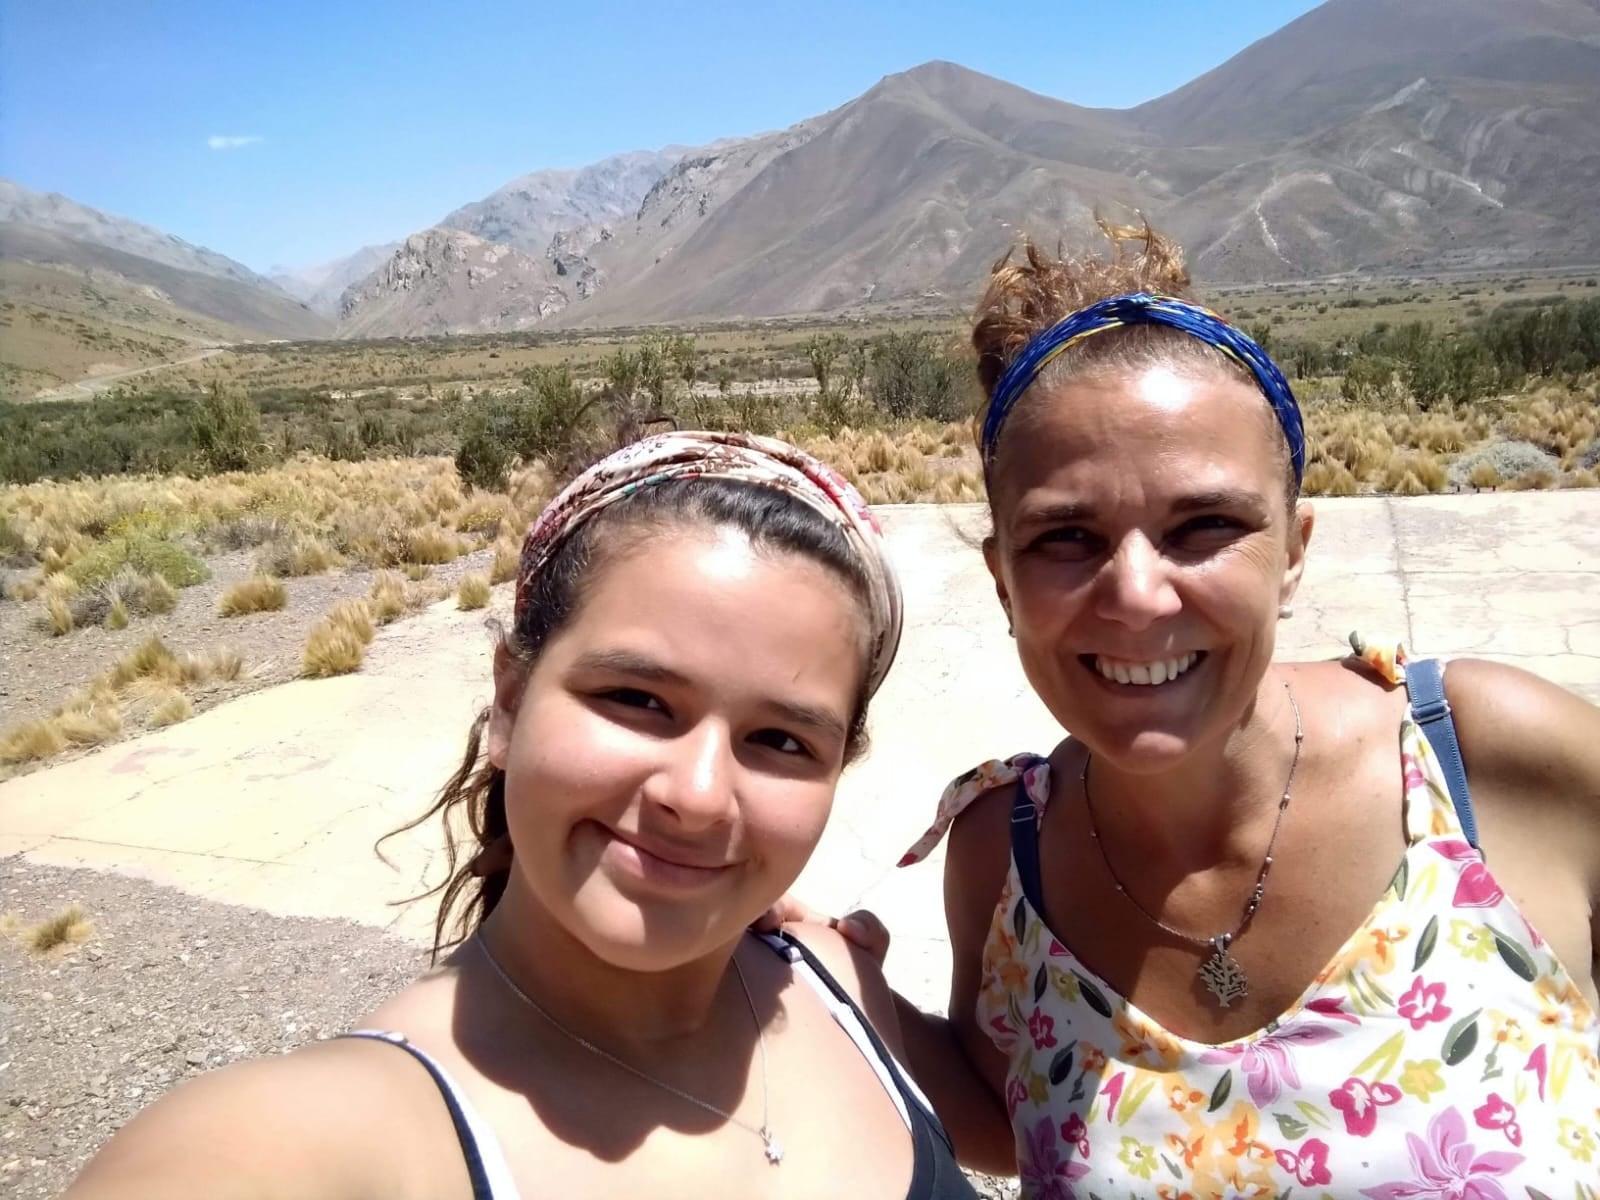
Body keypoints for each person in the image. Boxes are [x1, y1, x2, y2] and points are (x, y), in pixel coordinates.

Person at [796, 226, 1600, 1196]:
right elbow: (1018, 1122)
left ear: (1294, 549)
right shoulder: (1001, 854)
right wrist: (849, 981)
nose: (1136, 594)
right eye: (1064, 536)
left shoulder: (1483, 761)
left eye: (1204, 526)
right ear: (1002, 582)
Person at [65, 431, 983, 1200]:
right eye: (635, 699)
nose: (698, 796)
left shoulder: (837, 984)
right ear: (509, 700)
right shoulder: (308, 1147)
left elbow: (1067, 1116)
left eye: (781, 742)